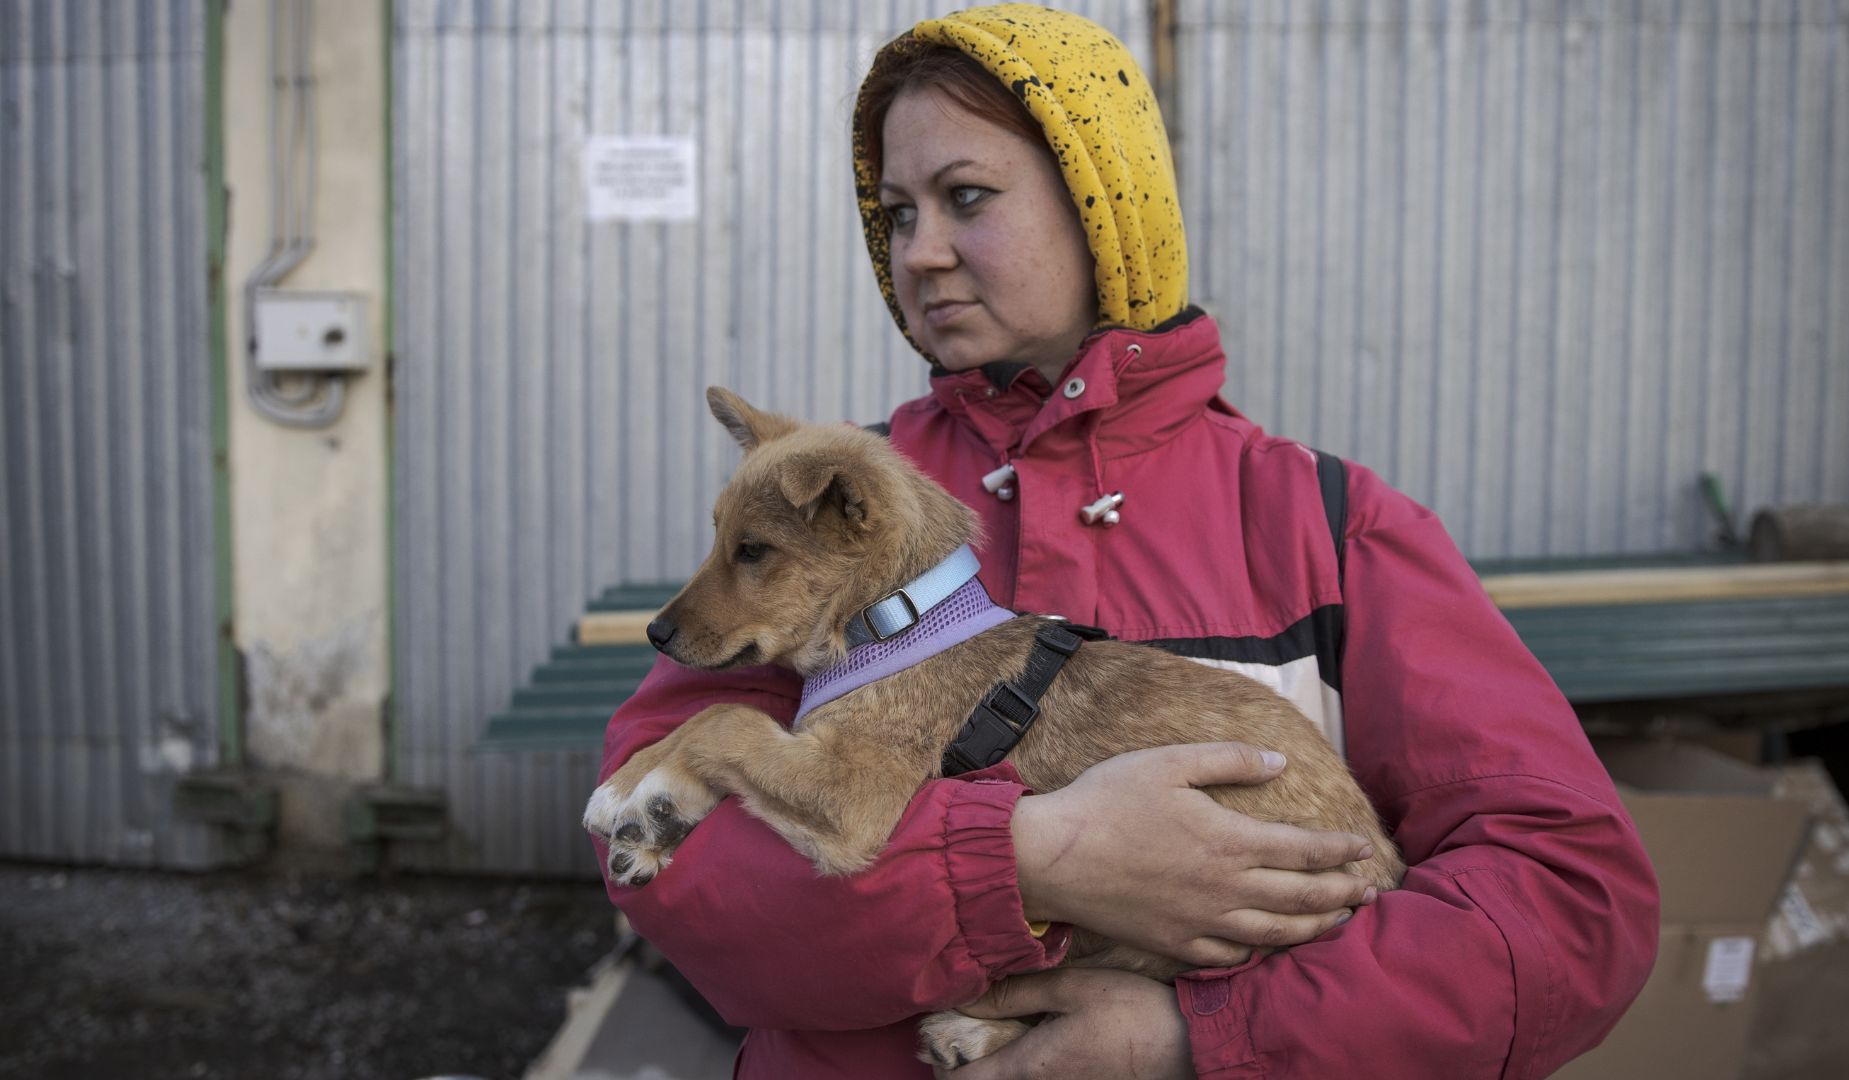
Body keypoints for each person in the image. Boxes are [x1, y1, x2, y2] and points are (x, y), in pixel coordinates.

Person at [594, 5, 1659, 1077]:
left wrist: (1202, 1038)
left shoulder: (1328, 527)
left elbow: (1567, 905)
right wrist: (1029, 863)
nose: (918, 251)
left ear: (1104, 204)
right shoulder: (833, 515)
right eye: (895, 211)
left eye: (966, 198)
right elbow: (678, 883)